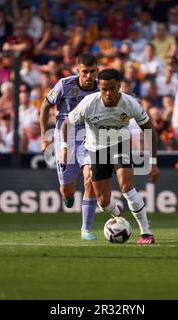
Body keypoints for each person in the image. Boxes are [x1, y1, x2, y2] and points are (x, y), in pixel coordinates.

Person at [60, 68, 160, 245]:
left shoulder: (130, 104)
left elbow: (150, 132)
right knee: (103, 201)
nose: (108, 93)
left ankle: (146, 233)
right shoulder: (88, 103)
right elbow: (66, 124)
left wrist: (153, 163)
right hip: (96, 149)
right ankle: (116, 210)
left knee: (126, 186)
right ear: (99, 87)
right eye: (104, 89)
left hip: (119, 143)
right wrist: (64, 147)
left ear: (119, 86)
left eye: (112, 89)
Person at [39, 53, 99, 241]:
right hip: (65, 137)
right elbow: (44, 106)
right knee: (67, 190)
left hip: (89, 137)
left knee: (90, 178)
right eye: (85, 72)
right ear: (77, 71)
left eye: (92, 72)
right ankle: (67, 196)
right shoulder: (65, 85)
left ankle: (86, 230)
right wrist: (44, 136)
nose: (89, 76)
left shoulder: (101, 88)